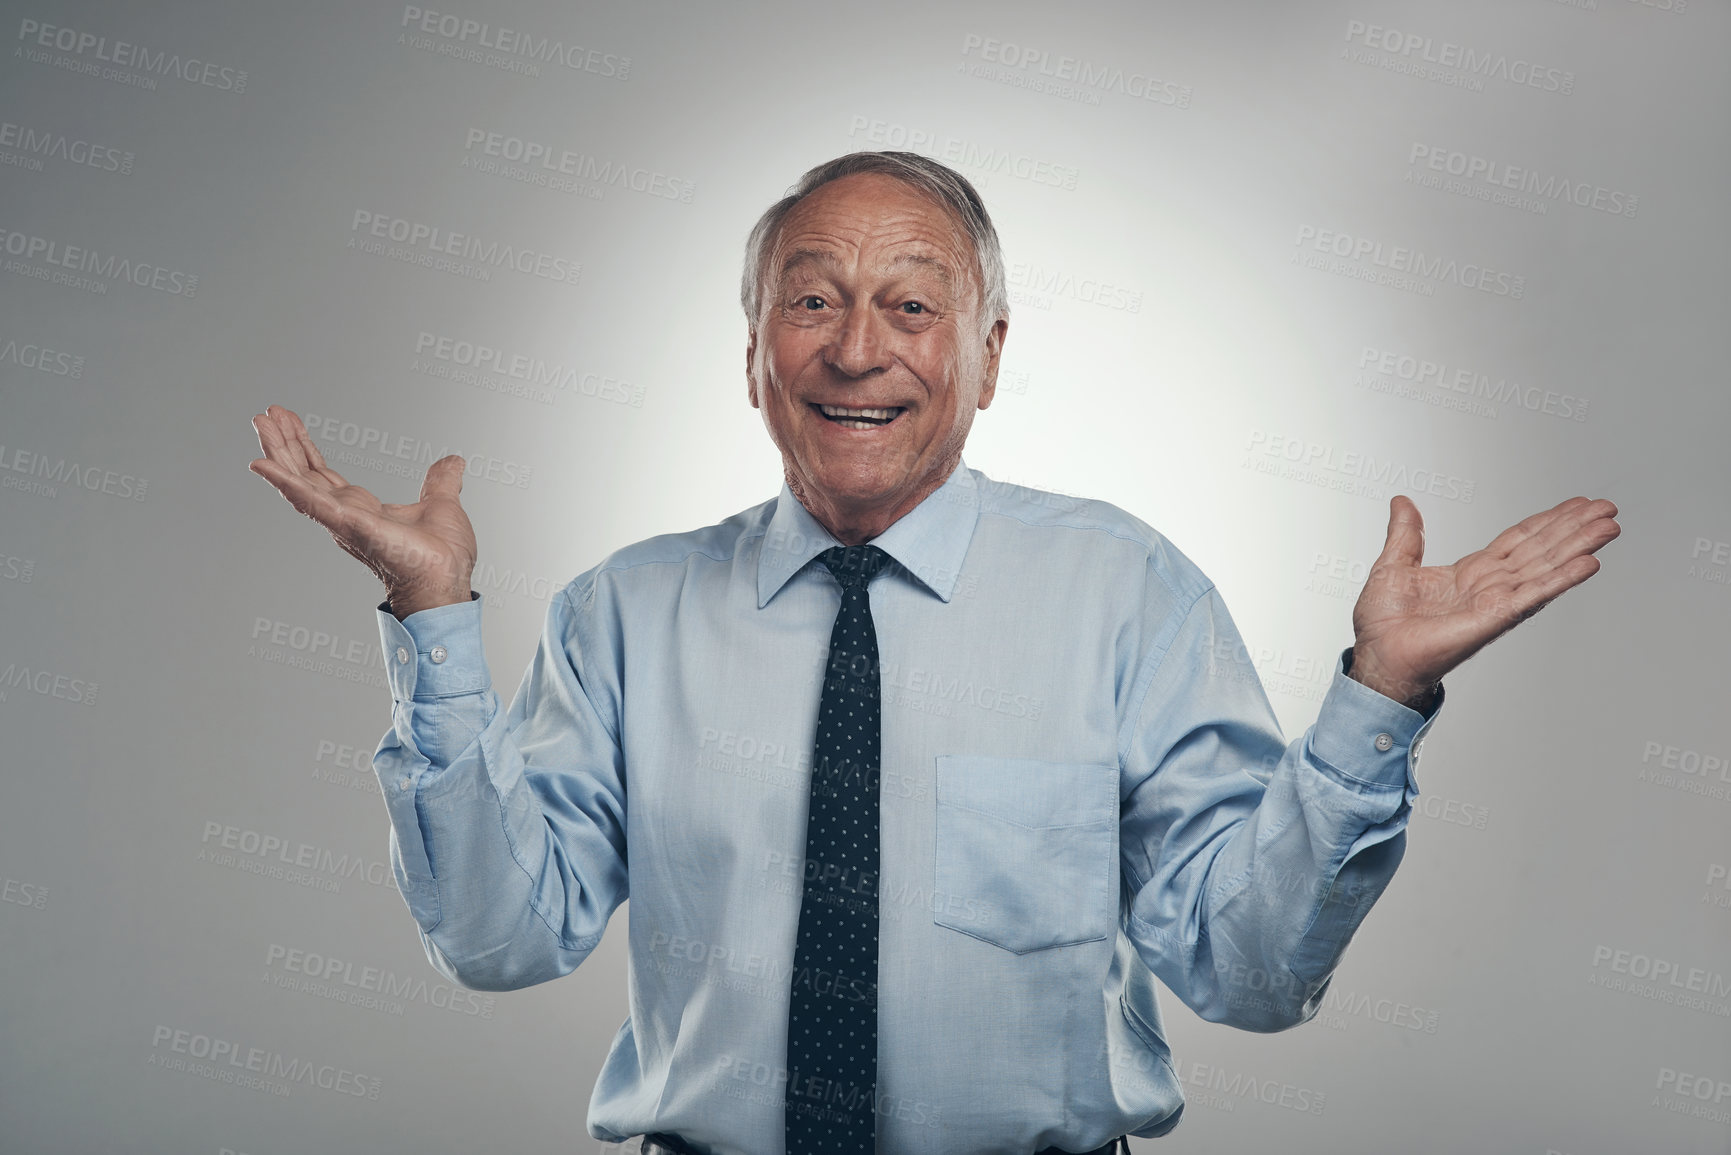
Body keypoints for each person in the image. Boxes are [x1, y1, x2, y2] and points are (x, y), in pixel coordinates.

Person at [248, 151, 1620, 1155]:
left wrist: (1379, 697)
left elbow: (1250, 974)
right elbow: (495, 940)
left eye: (911, 307)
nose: (857, 350)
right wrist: (435, 624)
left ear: (988, 351)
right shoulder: (625, 612)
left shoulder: (1126, 592)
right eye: (812, 302)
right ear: (752, 353)